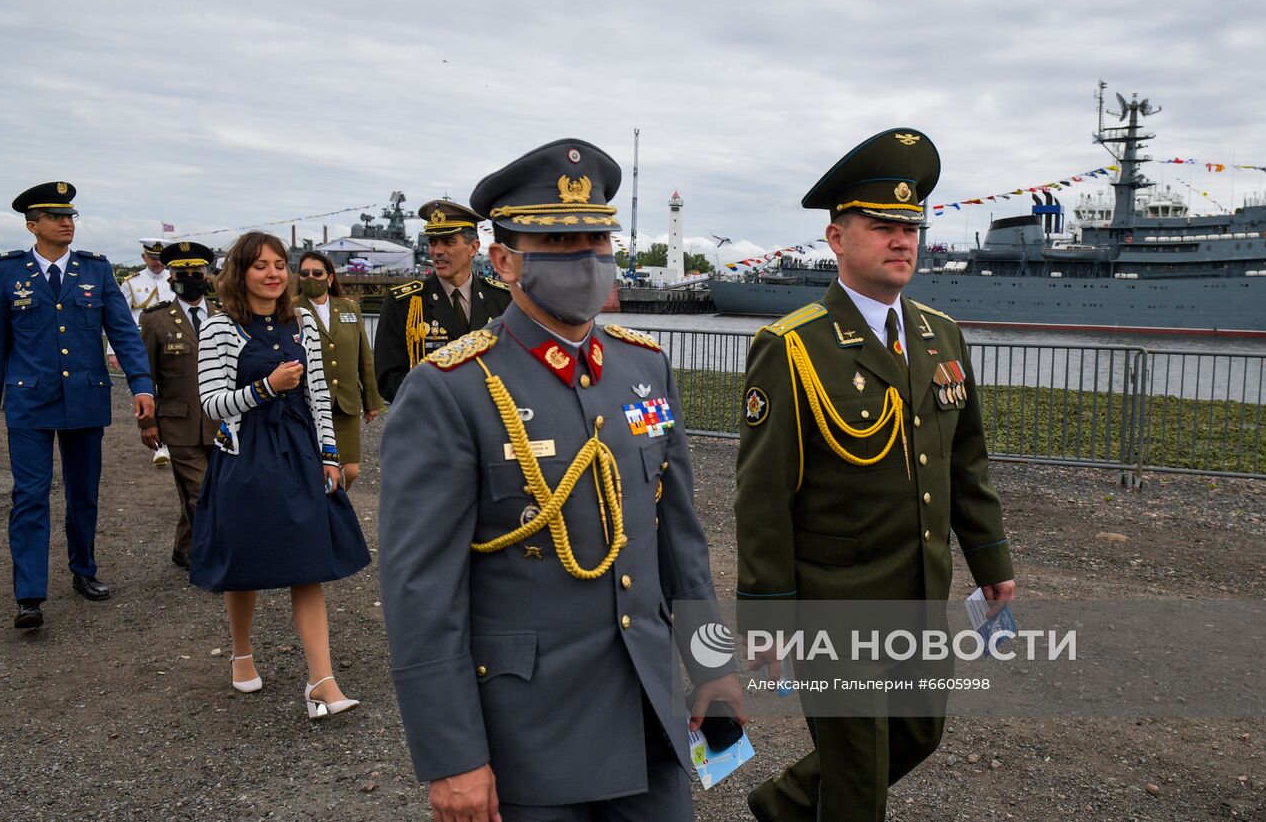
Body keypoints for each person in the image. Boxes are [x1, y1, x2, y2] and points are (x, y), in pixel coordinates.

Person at [379, 139, 744, 822]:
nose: (585, 258)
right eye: (559, 240)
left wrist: (712, 667)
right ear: (505, 260)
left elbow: (681, 545)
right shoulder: (449, 389)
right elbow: (421, 592)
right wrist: (452, 755)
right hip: (529, 736)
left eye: (596, 238)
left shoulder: (644, 368)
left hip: (645, 717)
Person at [733, 129, 1017, 822]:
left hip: (918, 591)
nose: (902, 240)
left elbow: (965, 461)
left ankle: (784, 806)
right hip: (836, 603)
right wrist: (768, 614)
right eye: (883, 225)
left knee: (918, 733)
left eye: (911, 226)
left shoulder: (939, 335)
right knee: (858, 786)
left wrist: (989, 558)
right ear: (836, 238)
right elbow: (762, 495)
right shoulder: (793, 346)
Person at [191, 231, 369, 718]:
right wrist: (266, 387)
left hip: (298, 451)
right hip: (244, 454)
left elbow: (318, 398)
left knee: (308, 562)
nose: (273, 274)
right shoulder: (220, 328)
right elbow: (212, 406)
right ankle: (242, 653)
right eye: (260, 265)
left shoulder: (303, 324)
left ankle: (322, 681)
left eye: (279, 265)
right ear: (240, 273)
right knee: (243, 560)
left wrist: (330, 456)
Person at [0, 182, 155, 630]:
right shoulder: (9, 273)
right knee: (30, 496)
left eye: (71, 216)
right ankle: (29, 595)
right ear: (33, 226)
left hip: (85, 398)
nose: (67, 223)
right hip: (29, 400)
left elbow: (124, 333)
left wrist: (142, 385)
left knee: (83, 494)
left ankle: (84, 571)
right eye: (56, 217)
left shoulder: (96, 271)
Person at [373, 199, 511, 402]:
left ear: (473, 248)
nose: (437, 251)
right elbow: (388, 378)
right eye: (433, 242)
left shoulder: (502, 299)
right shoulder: (404, 302)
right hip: (429, 423)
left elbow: (516, 365)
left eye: (448, 242)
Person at [137, 241, 219, 570]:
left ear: (206, 275)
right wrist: (147, 424)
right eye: (181, 272)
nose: (189, 277)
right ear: (171, 278)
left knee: (211, 488)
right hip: (178, 422)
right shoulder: (155, 320)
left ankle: (183, 548)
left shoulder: (224, 315)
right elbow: (146, 375)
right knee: (201, 492)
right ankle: (213, 557)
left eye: (195, 272)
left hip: (220, 421)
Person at [297, 250, 382, 490]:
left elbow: (364, 357)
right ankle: (326, 518)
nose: (311, 278)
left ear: (330, 278)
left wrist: (371, 400)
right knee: (318, 468)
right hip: (309, 404)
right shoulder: (290, 310)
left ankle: (331, 508)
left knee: (351, 469)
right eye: (304, 273)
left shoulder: (349, 308)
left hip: (346, 400)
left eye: (317, 273)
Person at [109, 237, 175, 467]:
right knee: (149, 392)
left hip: (172, 342)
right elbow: (117, 318)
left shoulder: (175, 279)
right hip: (141, 344)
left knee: (173, 391)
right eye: (152, 258)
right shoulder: (131, 283)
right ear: (143, 257)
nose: (157, 263)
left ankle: (173, 439)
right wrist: (112, 350)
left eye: (160, 258)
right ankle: (160, 445)